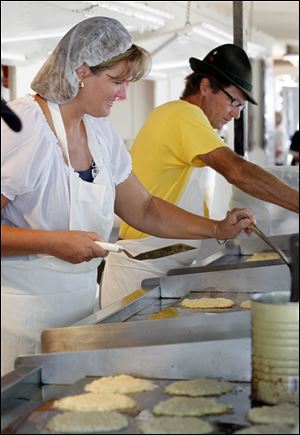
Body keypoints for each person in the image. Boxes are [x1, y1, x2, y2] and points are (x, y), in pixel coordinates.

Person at [1, 18, 255, 376]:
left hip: (80, 311)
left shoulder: (100, 132)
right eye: (117, 82)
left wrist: (216, 228)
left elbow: (144, 208)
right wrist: (53, 242)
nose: (122, 95)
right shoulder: (20, 128)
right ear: (82, 70)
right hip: (19, 319)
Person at [101, 43, 299, 308]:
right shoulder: (183, 114)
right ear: (205, 87)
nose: (236, 113)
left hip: (160, 266)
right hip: (142, 271)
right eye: (234, 101)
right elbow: (237, 170)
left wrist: (220, 226)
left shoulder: (178, 118)